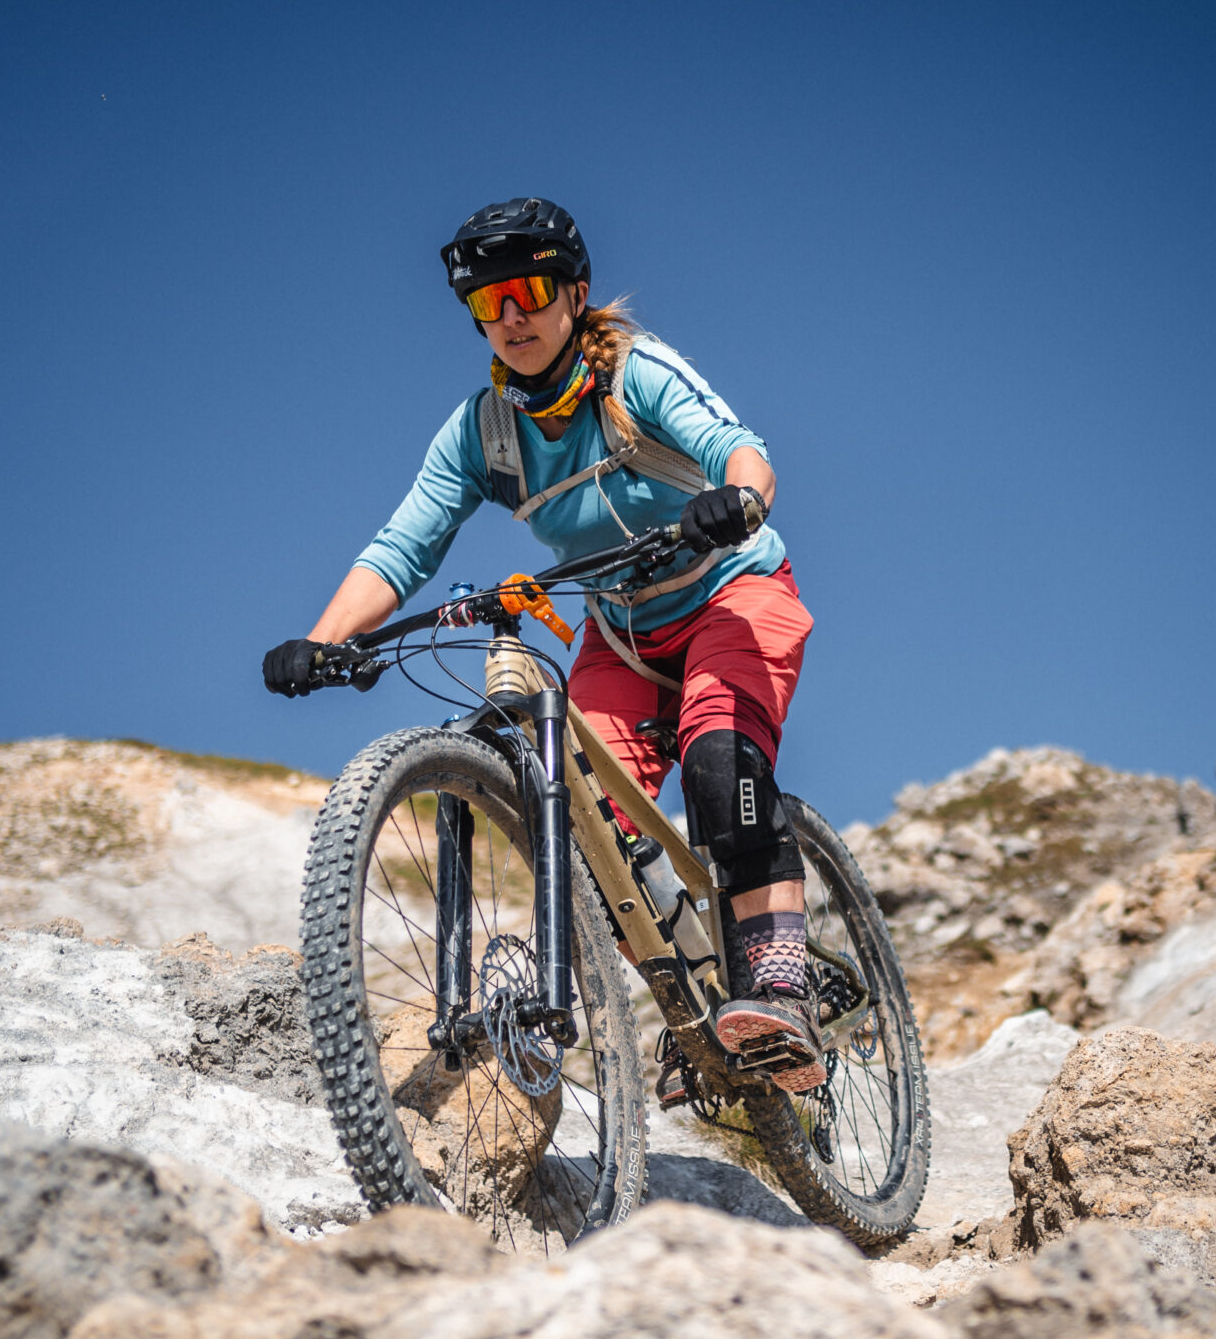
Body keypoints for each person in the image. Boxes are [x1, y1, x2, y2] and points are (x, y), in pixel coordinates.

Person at [262, 197, 822, 1096]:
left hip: (731, 591)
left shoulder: (634, 376)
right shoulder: (482, 433)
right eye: (489, 303)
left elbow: (737, 447)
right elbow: (404, 546)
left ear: (575, 294)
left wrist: (741, 498)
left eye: (527, 291)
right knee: (584, 830)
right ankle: (698, 1013)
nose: (511, 316)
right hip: (623, 631)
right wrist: (322, 643)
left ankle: (782, 992)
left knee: (721, 764)